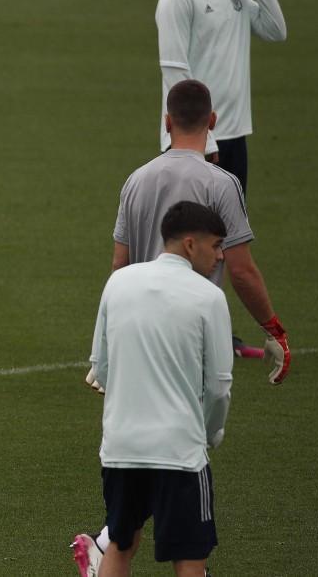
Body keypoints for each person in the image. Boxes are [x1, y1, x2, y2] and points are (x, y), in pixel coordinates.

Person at [72, 80, 289, 577]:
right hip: (186, 344)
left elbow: (118, 266)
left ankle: (103, 543)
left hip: (130, 344)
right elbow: (241, 271)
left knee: (124, 535)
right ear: (213, 122)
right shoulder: (223, 187)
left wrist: (106, 351)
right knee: (190, 550)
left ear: (167, 122)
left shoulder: (136, 180)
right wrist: (272, 328)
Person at [89, 201, 234, 577]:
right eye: (216, 245)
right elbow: (218, 388)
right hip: (179, 451)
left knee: (120, 546)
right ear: (190, 244)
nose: (220, 256)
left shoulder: (118, 282)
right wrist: (207, 434)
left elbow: (99, 367)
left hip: (121, 447)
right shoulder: (209, 297)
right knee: (190, 558)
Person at [155, 0, 286, 193]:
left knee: (229, 236)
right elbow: (174, 70)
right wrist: (205, 139)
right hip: (193, 141)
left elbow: (276, 30)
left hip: (235, 136)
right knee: (188, 236)